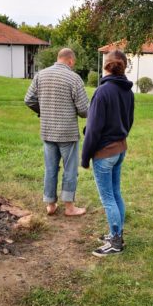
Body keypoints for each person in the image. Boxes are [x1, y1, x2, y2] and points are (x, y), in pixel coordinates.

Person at [24, 48, 89, 216]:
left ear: (58, 58)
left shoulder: (41, 75)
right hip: (67, 131)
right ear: (71, 61)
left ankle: (50, 205)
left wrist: (42, 110)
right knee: (70, 169)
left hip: (47, 130)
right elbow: (83, 110)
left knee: (50, 168)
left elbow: (29, 99)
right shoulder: (74, 78)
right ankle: (69, 207)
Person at [82, 50, 134, 257]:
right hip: (120, 149)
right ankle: (116, 233)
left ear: (106, 66)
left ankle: (115, 241)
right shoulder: (127, 91)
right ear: (124, 66)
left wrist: (85, 157)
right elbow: (129, 121)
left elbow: (93, 129)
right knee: (115, 193)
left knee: (108, 198)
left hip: (105, 153)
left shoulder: (102, 92)